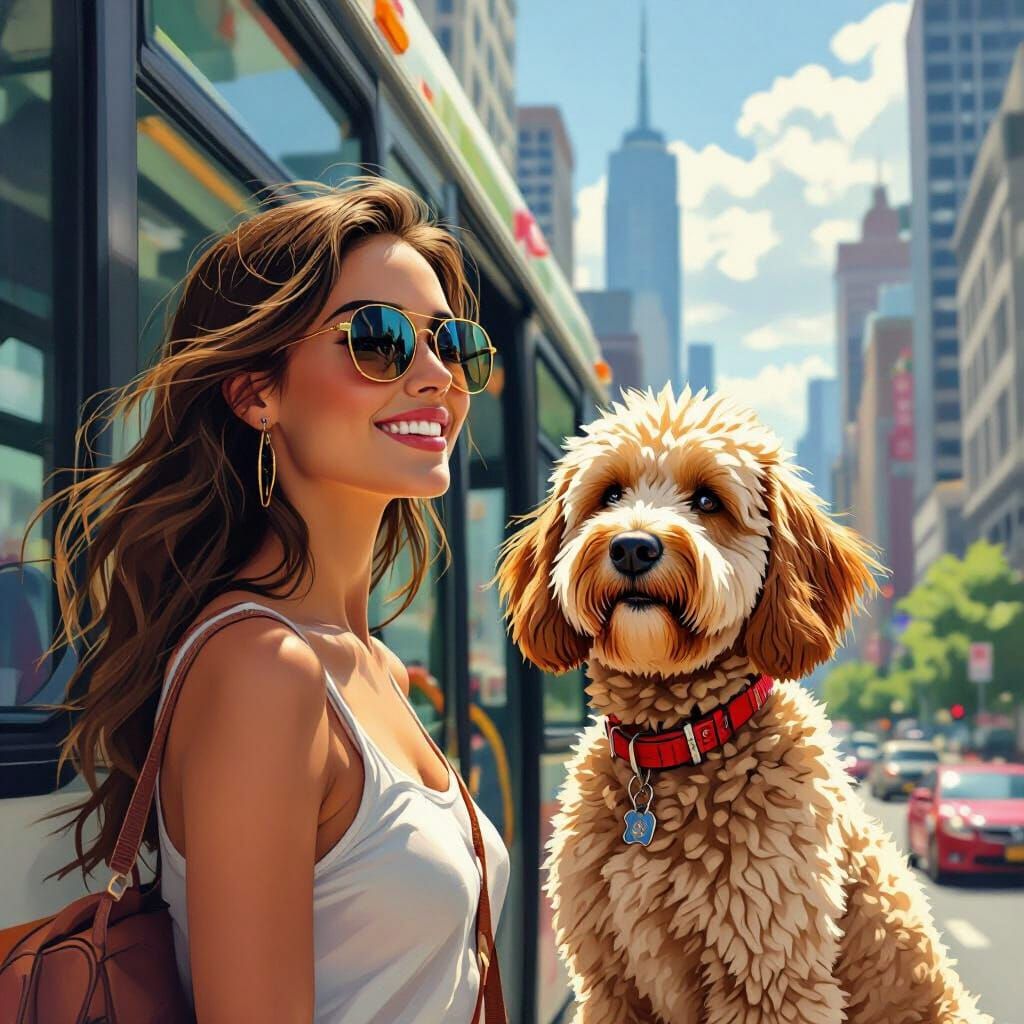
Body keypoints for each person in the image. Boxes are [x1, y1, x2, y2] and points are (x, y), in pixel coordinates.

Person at [27, 177, 510, 1023]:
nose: (437, 376)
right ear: (258, 394)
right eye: (379, 339)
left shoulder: (372, 663)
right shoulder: (265, 671)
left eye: (452, 342)